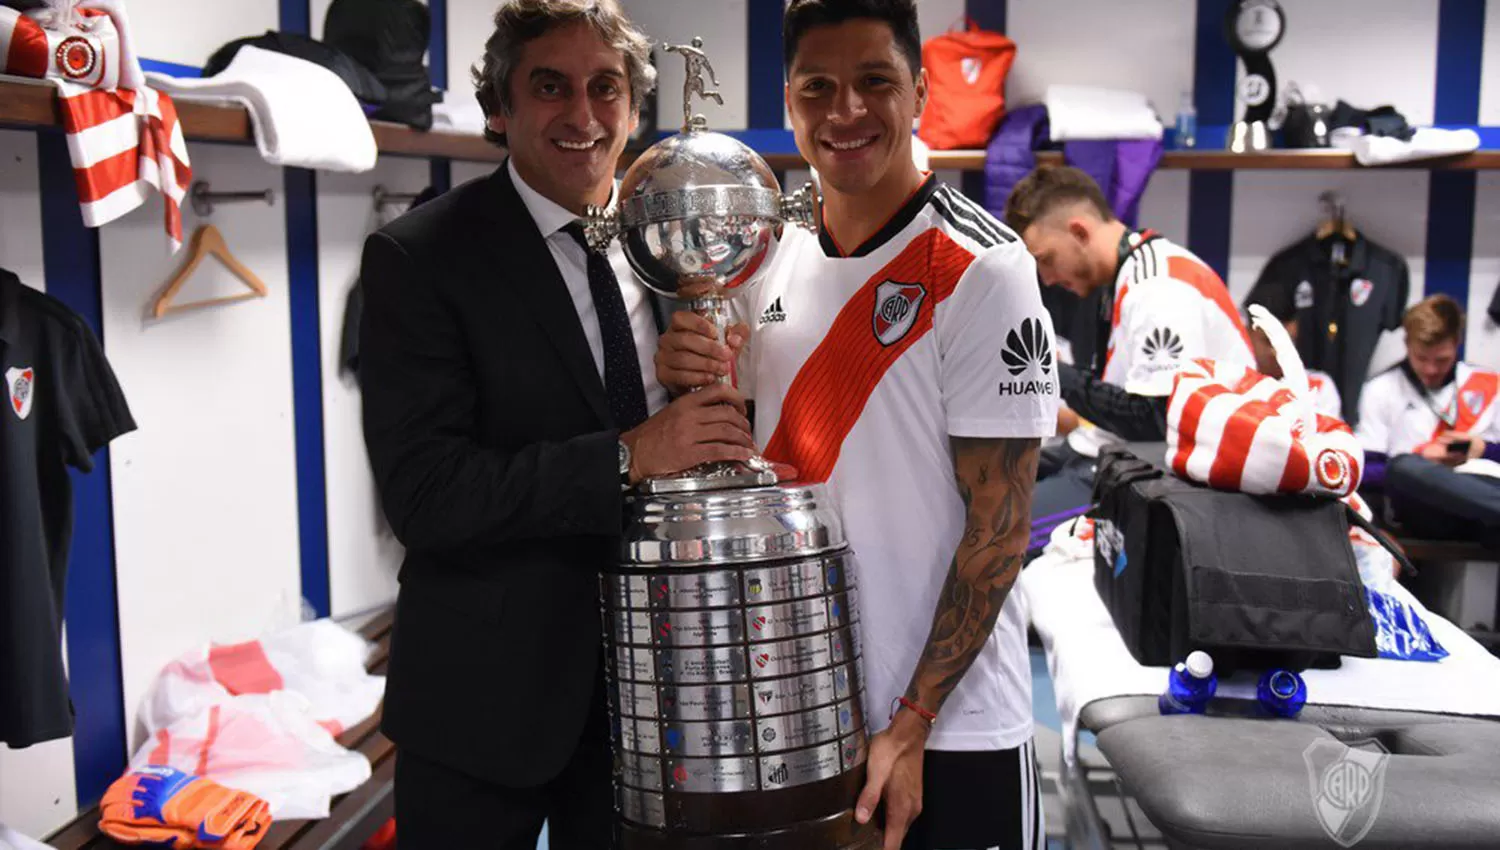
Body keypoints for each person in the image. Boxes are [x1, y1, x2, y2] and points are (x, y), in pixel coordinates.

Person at [658, 2, 1057, 847]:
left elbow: (1001, 530)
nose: (846, 112)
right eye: (819, 88)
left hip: (951, 728)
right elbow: (744, 449)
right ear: (791, 104)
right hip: (801, 709)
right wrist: (692, 371)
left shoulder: (986, 269)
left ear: (918, 92)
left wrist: (911, 725)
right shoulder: (764, 253)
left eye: (874, 82)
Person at [357, 1, 756, 844]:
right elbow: (425, 496)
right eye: (550, 87)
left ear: (635, 107)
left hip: (646, 696)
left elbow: (688, 442)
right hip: (482, 704)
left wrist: (716, 382)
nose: (582, 115)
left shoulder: (662, 244)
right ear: (499, 108)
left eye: (605, 88)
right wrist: (626, 456)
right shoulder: (419, 258)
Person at [1002, 165, 1252, 550]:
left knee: (992, 534)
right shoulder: (1130, 276)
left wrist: (1052, 373)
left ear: (1080, 231)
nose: (1047, 278)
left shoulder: (1158, 287)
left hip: (1159, 473)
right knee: (982, 484)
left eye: (1046, 259)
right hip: (1117, 453)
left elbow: (1155, 419)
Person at [1356, 295, 1500, 546]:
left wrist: (1482, 449)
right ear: (1407, 344)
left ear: (1457, 343)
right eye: (1421, 358)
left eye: (1441, 360)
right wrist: (1423, 460)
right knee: (1402, 467)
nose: (1431, 370)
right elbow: (1363, 471)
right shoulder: (1381, 389)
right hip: (1424, 508)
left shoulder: (1487, 385)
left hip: (1483, 504)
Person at [1244, 284, 1343, 419]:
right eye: (1267, 341)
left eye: (1286, 342)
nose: (1276, 352)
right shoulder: (1232, 383)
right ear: (1247, 334)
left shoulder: (1318, 388)